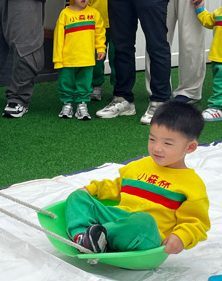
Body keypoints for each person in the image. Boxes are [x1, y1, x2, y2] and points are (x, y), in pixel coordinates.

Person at [64, 101, 209, 254]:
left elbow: (196, 222)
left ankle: (98, 236)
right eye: (152, 139)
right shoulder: (139, 166)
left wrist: (181, 237)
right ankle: (82, 237)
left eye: (167, 143)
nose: (156, 148)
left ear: (190, 147)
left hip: (146, 234)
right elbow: (118, 186)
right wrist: (92, 189)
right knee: (78, 197)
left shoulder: (192, 185)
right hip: (118, 219)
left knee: (143, 221)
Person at [53, 0, 105, 121]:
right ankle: (67, 104)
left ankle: (82, 105)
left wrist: (101, 48)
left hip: (87, 60)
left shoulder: (94, 14)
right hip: (67, 60)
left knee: (85, 83)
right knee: (66, 82)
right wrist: (58, 59)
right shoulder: (65, 14)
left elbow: (99, 34)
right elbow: (58, 39)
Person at [90, 0, 115, 101]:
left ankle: (119, 89)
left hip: (118, 26)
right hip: (97, 28)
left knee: (117, 58)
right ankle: (96, 86)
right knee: (96, 59)